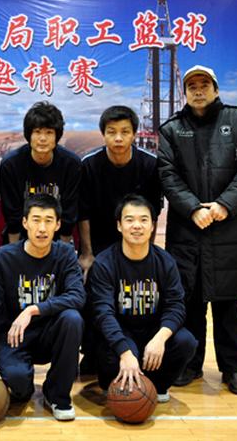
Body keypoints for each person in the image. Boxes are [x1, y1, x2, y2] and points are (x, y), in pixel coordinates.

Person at [158, 65, 237, 395]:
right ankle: (190, 364)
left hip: (229, 227)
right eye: (192, 86)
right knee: (189, 300)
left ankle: (233, 368)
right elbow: (167, 174)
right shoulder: (171, 129)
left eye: (204, 84)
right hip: (187, 227)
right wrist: (192, 207)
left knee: (227, 303)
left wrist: (224, 205)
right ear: (185, 93)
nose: (198, 90)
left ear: (216, 90)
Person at [0, 194, 85, 421]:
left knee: (72, 318)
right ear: (24, 222)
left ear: (58, 224)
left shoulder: (65, 254)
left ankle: (57, 395)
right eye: (36, 220)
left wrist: (32, 309)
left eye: (49, 221)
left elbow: (78, 296)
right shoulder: (3, 257)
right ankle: (20, 380)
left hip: (49, 334)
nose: (42, 228)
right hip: (13, 338)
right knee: (19, 388)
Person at [77, 105, 162, 374]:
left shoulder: (150, 164)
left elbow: (153, 212)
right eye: (111, 132)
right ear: (103, 134)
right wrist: (87, 253)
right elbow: (83, 212)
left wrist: (148, 249)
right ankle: (91, 353)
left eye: (125, 132)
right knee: (93, 296)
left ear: (134, 134)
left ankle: (134, 348)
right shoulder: (89, 165)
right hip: (100, 242)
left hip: (135, 241)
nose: (118, 138)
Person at [89, 194, 197, 402]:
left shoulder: (165, 261)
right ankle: (114, 382)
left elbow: (176, 306)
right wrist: (125, 352)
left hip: (151, 331)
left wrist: (160, 339)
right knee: (107, 348)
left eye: (143, 220)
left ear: (152, 226)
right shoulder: (104, 263)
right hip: (122, 331)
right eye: (129, 220)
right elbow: (103, 313)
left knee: (186, 341)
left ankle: (158, 385)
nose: (137, 226)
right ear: (119, 225)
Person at [0, 101, 80, 243]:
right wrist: (15, 251)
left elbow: (69, 213)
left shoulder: (71, 164)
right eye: (37, 132)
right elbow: (12, 215)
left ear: (57, 136)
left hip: (57, 236)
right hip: (22, 236)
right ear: (29, 135)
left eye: (49, 133)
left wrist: (63, 251)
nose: (42, 139)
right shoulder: (11, 164)